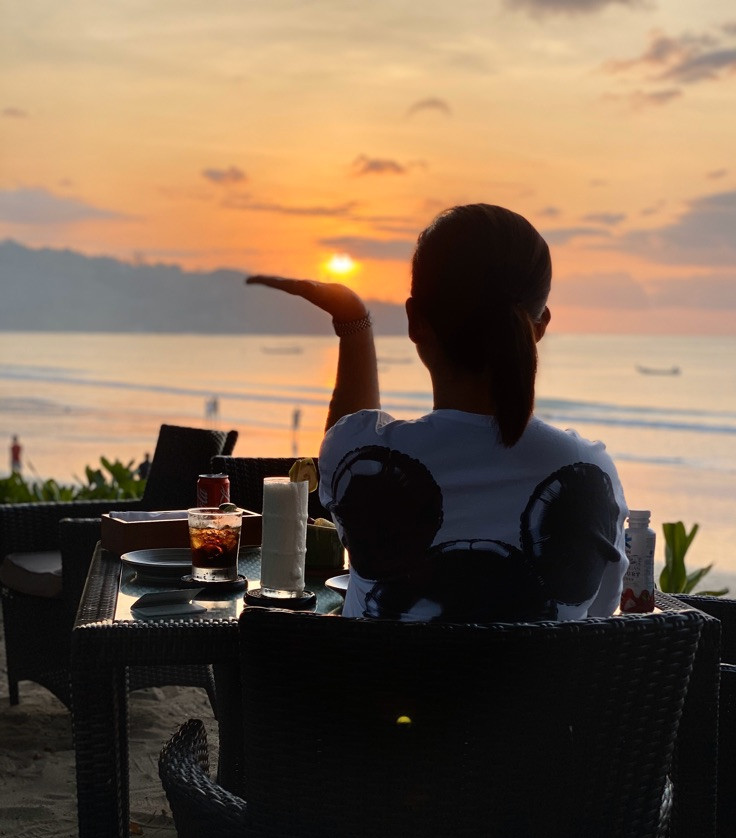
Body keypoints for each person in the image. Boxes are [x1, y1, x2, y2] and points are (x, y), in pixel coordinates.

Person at [246, 203, 629, 623]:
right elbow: (599, 613)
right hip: (537, 690)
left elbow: (346, 434)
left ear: (415, 321)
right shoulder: (590, 474)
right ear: (539, 328)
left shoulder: (358, 451)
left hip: (369, 688)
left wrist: (355, 325)